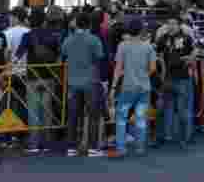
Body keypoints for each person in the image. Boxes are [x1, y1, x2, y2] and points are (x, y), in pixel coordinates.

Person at [14, 8, 63, 153]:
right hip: (49, 77)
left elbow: (18, 56)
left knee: (33, 111)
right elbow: (59, 54)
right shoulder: (53, 35)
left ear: (30, 21)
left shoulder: (27, 36)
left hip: (32, 77)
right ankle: (47, 142)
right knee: (47, 109)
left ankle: (34, 144)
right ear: (44, 21)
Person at [109, 18, 156, 159]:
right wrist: (143, 75)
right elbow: (153, 68)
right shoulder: (148, 47)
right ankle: (140, 147)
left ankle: (121, 148)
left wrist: (113, 87)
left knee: (121, 117)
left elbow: (118, 68)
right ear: (142, 30)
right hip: (144, 87)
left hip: (127, 87)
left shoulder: (122, 46)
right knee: (141, 118)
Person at [61, 11, 105, 157]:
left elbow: (63, 55)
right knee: (93, 115)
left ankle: (71, 148)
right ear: (89, 24)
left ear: (76, 24)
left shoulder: (68, 40)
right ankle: (92, 148)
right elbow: (99, 59)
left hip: (73, 82)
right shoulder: (94, 40)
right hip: (91, 81)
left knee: (73, 115)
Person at [154, 13, 196, 149]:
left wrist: (190, 57)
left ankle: (183, 140)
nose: (170, 26)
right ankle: (159, 138)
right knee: (160, 110)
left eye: (173, 23)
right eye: (169, 24)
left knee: (182, 111)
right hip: (166, 79)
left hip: (182, 79)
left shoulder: (187, 38)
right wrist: (159, 60)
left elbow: (196, 51)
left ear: (179, 25)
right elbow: (156, 51)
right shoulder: (163, 38)